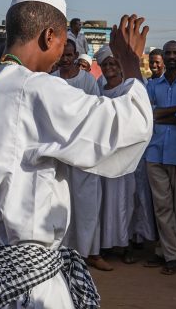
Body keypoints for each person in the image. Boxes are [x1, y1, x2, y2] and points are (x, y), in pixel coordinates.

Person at [0, 0, 153, 308]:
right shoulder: (35, 89)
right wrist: (130, 65)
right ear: (48, 36)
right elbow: (123, 126)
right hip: (29, 287)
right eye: (61, 44)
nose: (61, 55)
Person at [53, 39, 111, 271]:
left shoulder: (88, 80)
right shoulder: (51, 79)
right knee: (60, 202)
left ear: (76, 55)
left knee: (87, 205)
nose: (66, 59)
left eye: (70, 55)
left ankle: (91, 253)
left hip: (85, 151)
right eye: (63, 55)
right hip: (57, 153)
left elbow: (95, 113)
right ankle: (60, 253)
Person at [143, 40, 176, 275]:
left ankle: (164, 250)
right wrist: (174, 109)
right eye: (169, 53)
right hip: (154, 152)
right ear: (162, 57)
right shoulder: (153, 85)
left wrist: (161, 115)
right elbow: (147, 114)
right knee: (161, 206)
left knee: (175, 208)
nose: (173, 56)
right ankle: (173, 256)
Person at [94, 45, 139, 264]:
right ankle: (106, 244)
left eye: (113, 63)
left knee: (125, 200)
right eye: (105, 64)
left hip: (125, 153)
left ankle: (126, 243)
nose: (110, 68)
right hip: (103, 154)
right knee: (104, 201)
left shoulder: (128, 87)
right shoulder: (97, 87)